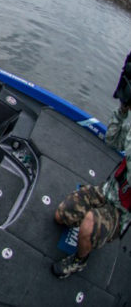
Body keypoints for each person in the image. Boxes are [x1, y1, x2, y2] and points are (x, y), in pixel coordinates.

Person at [52, 52, 131, 278]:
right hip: (108, 190)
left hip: (122, 210)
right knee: (61, 215)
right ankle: (92, 230)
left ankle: (79, 260)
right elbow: (112, 141)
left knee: (88, 225)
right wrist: (123, 108)